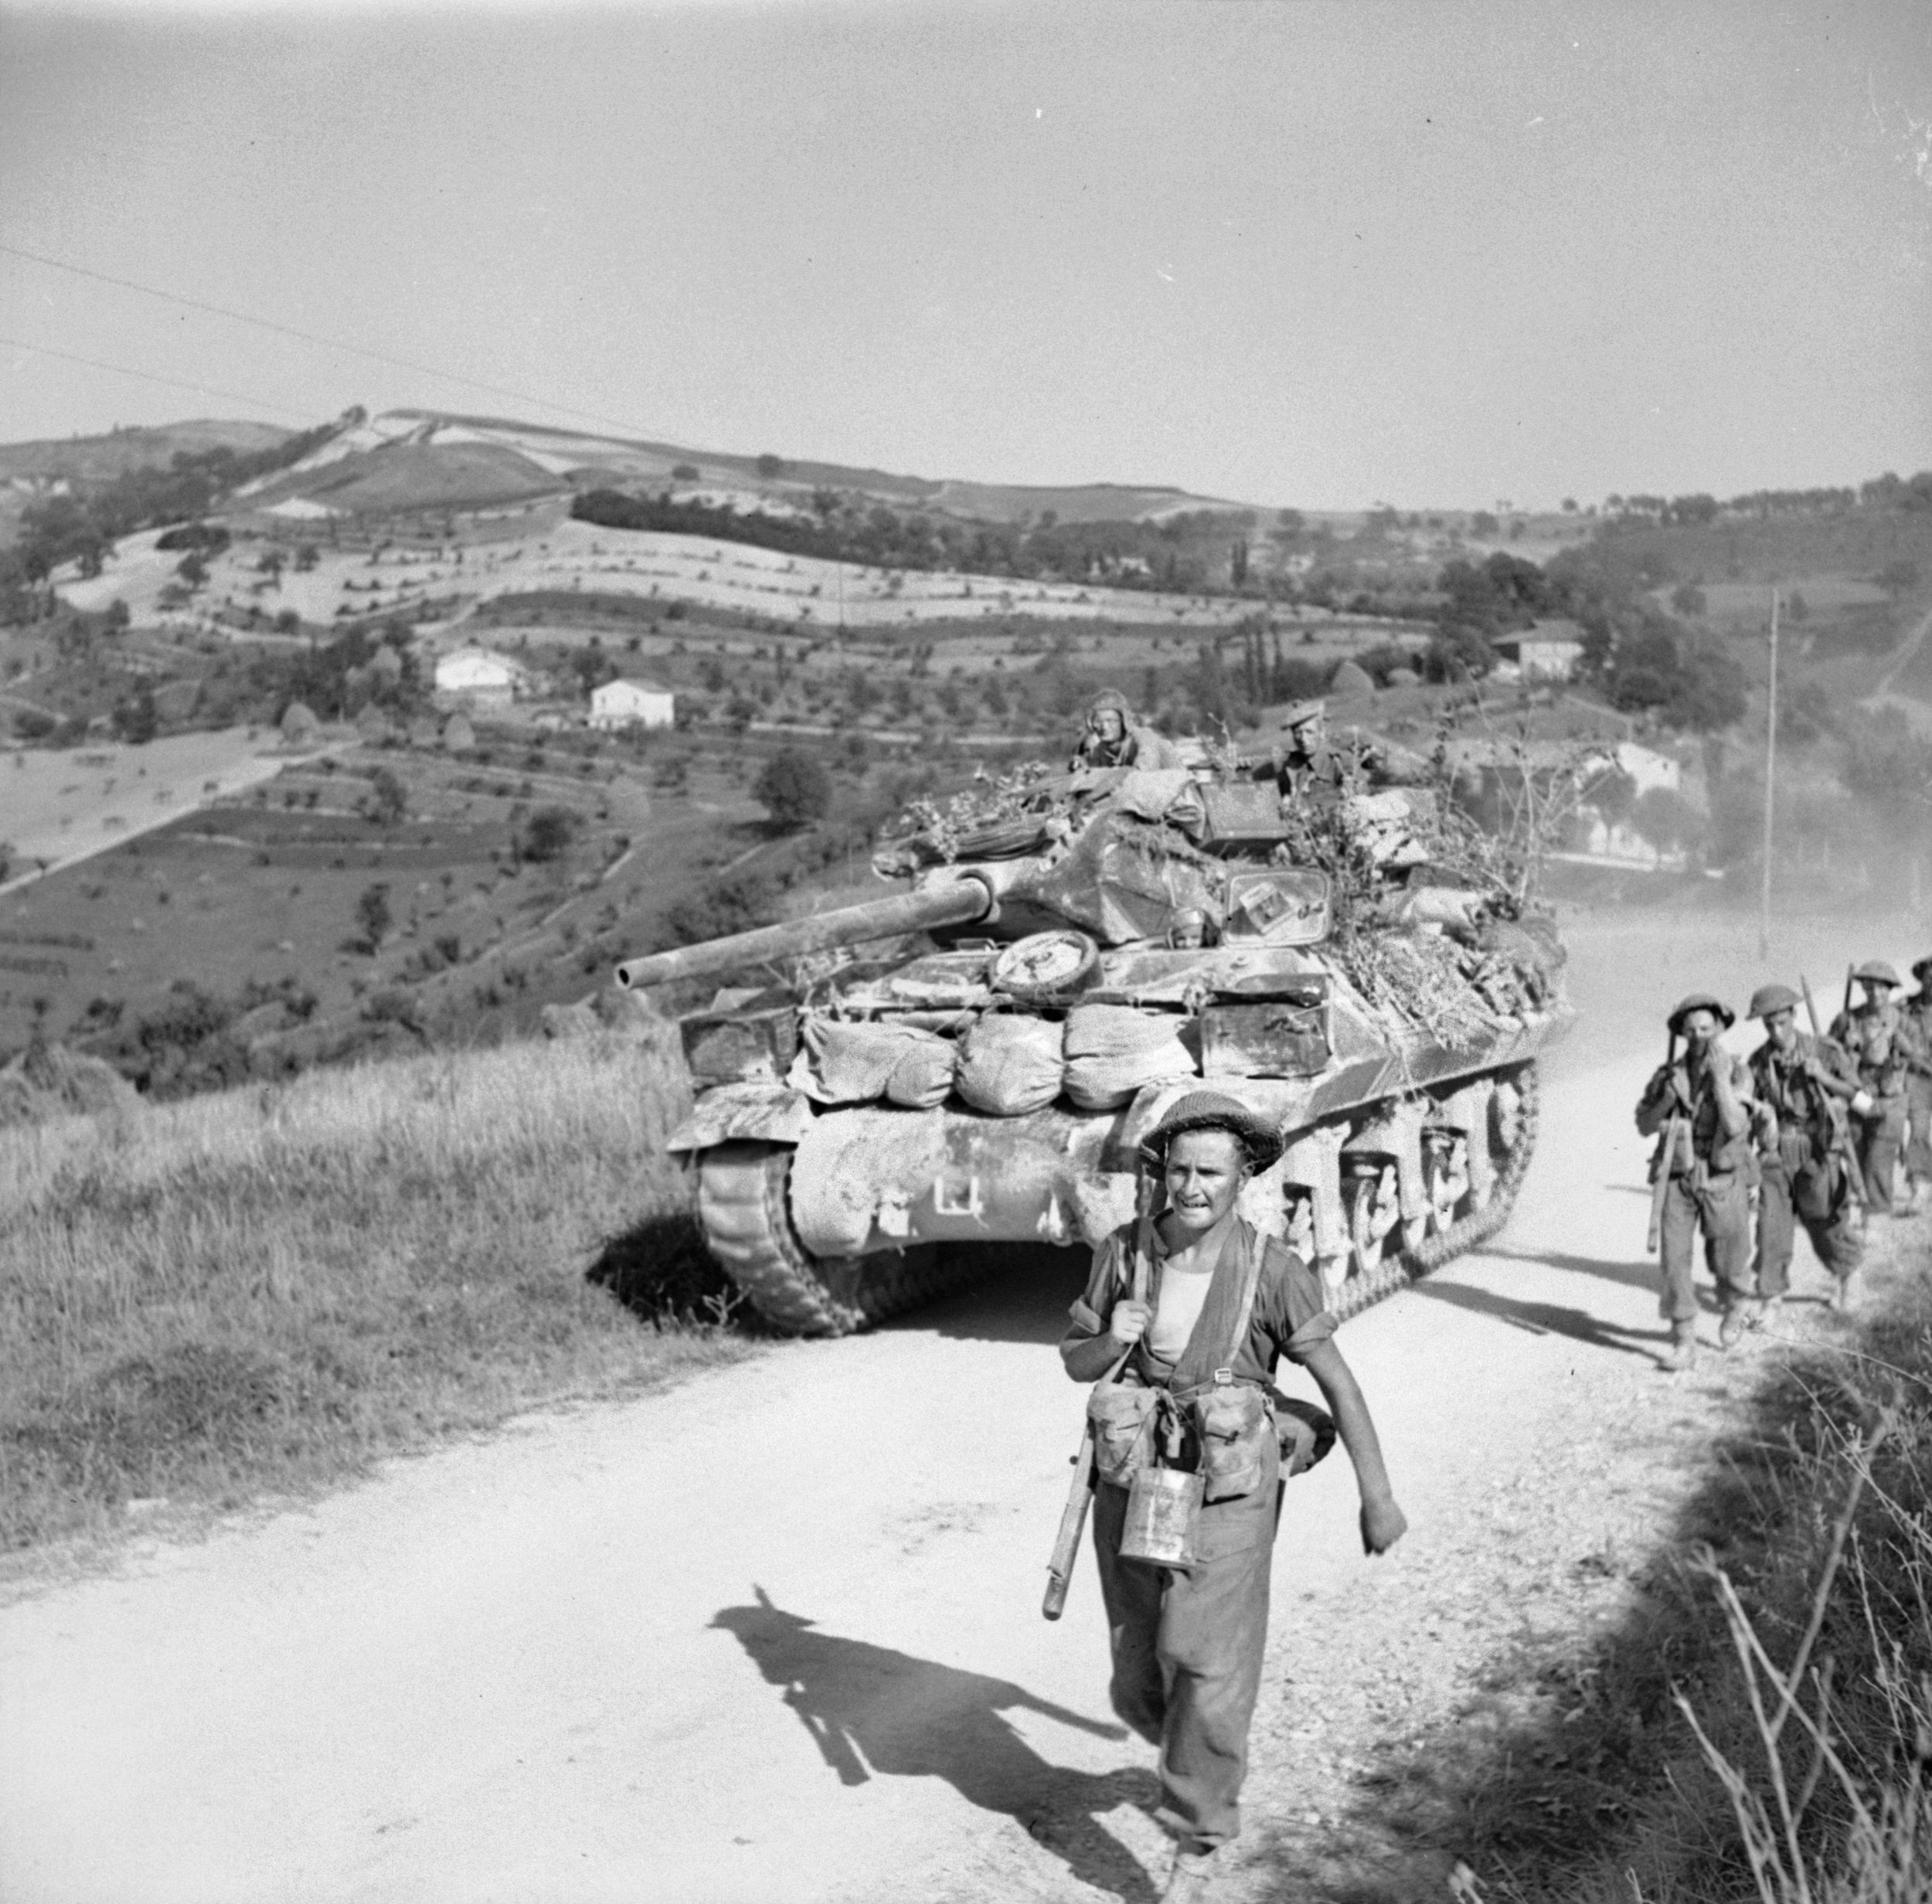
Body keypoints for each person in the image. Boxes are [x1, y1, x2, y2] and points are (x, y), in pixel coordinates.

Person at [1060, 1092, 1406, 1900]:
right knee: (1139, 1675)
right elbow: (1076, 1360)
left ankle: (1198, 1833)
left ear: (1242, 1176)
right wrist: (1112, 1339)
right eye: (1177, 1169)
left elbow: (1338, 1382)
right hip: (1137, 1481)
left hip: (1228, 1491)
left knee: (1206, 1666)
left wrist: (1376, 1494)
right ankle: (1192, 1753)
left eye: (1209, 1171)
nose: (1190, 1186)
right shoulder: (1123, 1252)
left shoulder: (1273, 1270)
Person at [1634, 994, 1758, 1368]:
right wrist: (1665, 1101)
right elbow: (1643, 1125)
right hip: (1678, 1172)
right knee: (1674, 1258)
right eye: (1691, 1029)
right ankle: (1684, 1337)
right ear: (1682, 1033)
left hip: (1721, 1173)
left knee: (1728, 1256)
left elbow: (1736, 1124)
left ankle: (1735, 1308)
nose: (1698, 1035)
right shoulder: (1668, 1075)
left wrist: (1720, 1080)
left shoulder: (1738, 1071)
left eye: (1706, 1028)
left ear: (1719, 1028)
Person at [1743, 984, 1864, 1317]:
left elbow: (1859, 1097)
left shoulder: (1824, 1050)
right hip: (1776, 1148)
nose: (1776, 1031)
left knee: (1824, 1217)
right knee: (1771, 1224)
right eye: (1768, 1025)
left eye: (1781, 1022)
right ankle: (1771, 1294)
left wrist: (1823, 1076)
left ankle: (1847, 1276)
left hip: (1818, 1147)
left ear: (1794, 1015)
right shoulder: (1758, 1062)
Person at [1849, 1013, 1911, 1215]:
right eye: (1869, 985)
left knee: (1878, 1157)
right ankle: (1869, 1205)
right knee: (1860, 1151)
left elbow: (1912, 1056)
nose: (1875, 992)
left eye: (1880, 987)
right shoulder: (1851, 1024)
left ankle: (1878, 1209)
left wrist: (1900, 1049)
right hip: (1862, 1098)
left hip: (1890, 1102)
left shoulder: (1900, 1024)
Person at [1073, 689, 1186, 772]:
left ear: (1124, 721)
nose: (1104, 727)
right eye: (1098, 722)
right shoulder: (1100, 750)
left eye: (1111, 721)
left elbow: (1144, 774)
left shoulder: (1145, 739)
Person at [1900, 956, 1932, 1212]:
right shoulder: (1905, 1009)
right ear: (1921, 979)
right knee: (1919, 1131)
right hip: (1919, 1078)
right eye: (1929, 976)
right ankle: (1920, 1186)